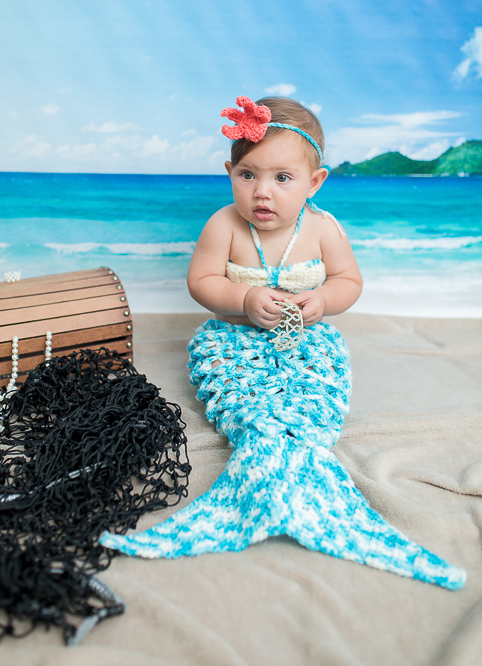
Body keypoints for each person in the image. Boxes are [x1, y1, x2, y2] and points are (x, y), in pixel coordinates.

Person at [100, 96, 465, 590]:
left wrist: (323, 301)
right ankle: (257, 478)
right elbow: (202, 280)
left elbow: (348, 282)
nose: (262, 192)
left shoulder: (323, 229)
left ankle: (303, 476)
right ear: (230, 171)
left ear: (315, 182)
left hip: (306, 339)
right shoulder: (224, 225)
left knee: (307, 408)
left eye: (282, 178)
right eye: (248, 175)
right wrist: (244, 298)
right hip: (233, 338)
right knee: (251, 409)